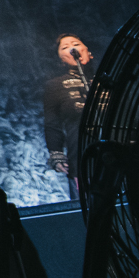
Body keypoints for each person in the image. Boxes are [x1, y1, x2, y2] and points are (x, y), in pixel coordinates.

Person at [43, 34, 94, 199]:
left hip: (116, 153)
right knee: (89, 204)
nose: (72, 48)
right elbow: (52, 123)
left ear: (88, 51)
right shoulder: (55, 86)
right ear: (61, 61)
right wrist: (56, 152)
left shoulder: (106, 80)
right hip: (81, 155)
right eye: (65, 47)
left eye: (76, 44)